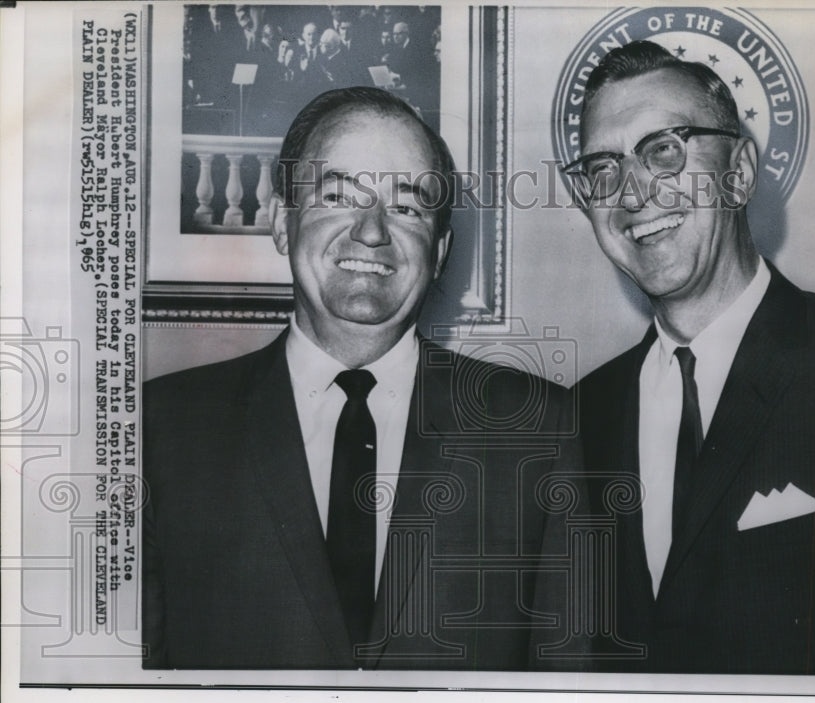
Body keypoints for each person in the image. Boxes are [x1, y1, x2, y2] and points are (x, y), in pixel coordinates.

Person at [143, 88, 584, 671]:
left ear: (441, 248)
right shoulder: (160, 428)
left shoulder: (538, 430)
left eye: (407, 207)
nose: (372, 230)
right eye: (338, 196)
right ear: (282, 222)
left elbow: (569, 698)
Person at [569, 41, 815, 675]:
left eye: (664, 150)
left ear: (738, 174)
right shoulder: (580, 413)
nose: (630, 195)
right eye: (603, 169)